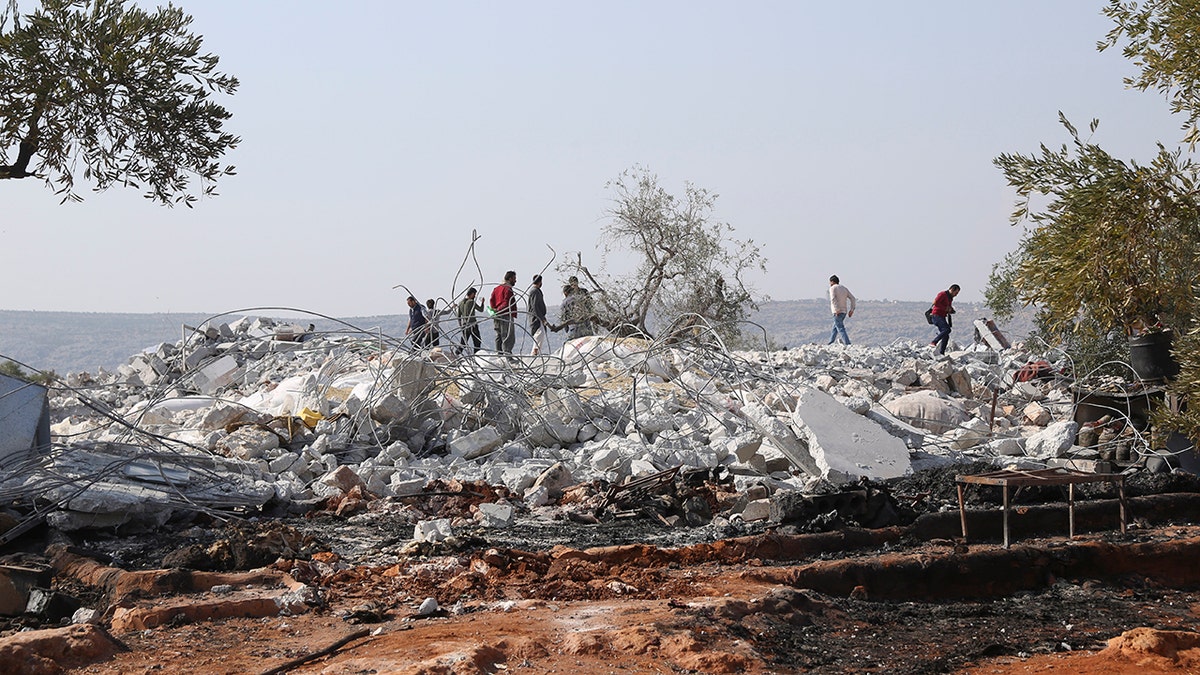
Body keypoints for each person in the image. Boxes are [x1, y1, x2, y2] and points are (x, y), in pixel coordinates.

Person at [489, 270, 518, 354]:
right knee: (507, 335)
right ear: (510, 279)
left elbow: (492, 301)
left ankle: (499, 353)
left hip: (496, 315)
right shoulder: (508, 289)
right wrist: (500, 310)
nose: (515, 281)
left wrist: (495, 310)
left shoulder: (496, 289)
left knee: (499, 335)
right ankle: (507, 354)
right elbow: (506, 302)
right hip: (505, 314)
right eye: (514, 279)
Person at [929, 284, 960, 355]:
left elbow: (947, 306)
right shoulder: (942, 294)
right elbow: (935, 303)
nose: (956, 295)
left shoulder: (950, 298)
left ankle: (941, 353)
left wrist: (950, 310)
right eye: (956, 293)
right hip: (936, 315)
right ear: (952, 290)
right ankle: (934, 342)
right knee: (947, 330)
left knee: (946, 336)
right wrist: (945, 308)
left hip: (942, 316)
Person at [827, 275, 856, 345]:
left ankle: (848, 343)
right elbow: (853, 298)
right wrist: (852, 309)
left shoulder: (832, 288)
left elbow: (833, 299)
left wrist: (837, 309)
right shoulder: (844, 288)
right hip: (844, 311)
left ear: (832, 282)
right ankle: (830, 342)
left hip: (837, 312)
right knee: (835, 327)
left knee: (840, 327)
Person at [456, 287, 483, 355]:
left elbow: (458, 315)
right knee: (477, 342)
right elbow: (481, 309)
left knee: (463, 343)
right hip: (473, 325)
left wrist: (461, 325)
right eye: (475, 294)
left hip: (465, 326)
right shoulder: (471, 302)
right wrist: (482, 302)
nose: (475, 296)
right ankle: (476, 356)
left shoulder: (461, 303)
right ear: (472, 294)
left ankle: (456, 354)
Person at [528, 274, 548, 355]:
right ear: (540, 282)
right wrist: (541, 318)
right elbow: (535, 307)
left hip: (538, 317)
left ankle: (536, 352)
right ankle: (534, 353)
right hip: (536, 319)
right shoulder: (535, 291)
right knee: (539, 335)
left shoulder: (536, 291)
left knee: (540, 335)